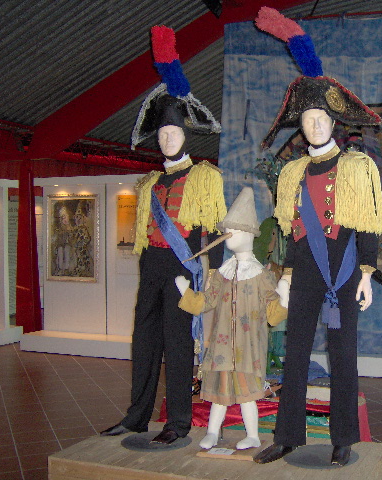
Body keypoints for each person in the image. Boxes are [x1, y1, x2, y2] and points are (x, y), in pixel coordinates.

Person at [253, 8, 382, 466]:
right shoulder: (293, 172)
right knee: (295, 354)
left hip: (344, 272)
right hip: (306, 273)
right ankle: (287, 436)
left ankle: (343, 438)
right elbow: (295, 233)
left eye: (321, 117)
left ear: (334, 122)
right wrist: (287, 276)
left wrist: (367, 274)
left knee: (343, 356)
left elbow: (367, 224)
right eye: (308, 118)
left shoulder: (357, 166)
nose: (314, 124)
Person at [100, 25, 225, 446]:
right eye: (163, 134)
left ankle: (178, 422)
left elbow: (214, 229)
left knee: (177, 343)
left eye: (174, 133)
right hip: (151, 265)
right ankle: (136, 417)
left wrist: (212, 276)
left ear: (186, 135)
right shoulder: (149, 184)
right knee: (144, 342)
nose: (168, 138)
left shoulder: (204, 176)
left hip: (182, 265)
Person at [174, 187, 288, 450]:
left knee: (248, 395)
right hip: (222, 347)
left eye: (234, 230)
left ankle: (253, 435)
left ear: (249, 234)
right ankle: (213, 432)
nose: (228, 235)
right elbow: (207, 302)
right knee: (220, 395)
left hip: (249, 348)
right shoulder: (222, 273)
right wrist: (186, 293)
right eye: (228, 230)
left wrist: (284, 300)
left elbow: (273, 315)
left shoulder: (261, 275)